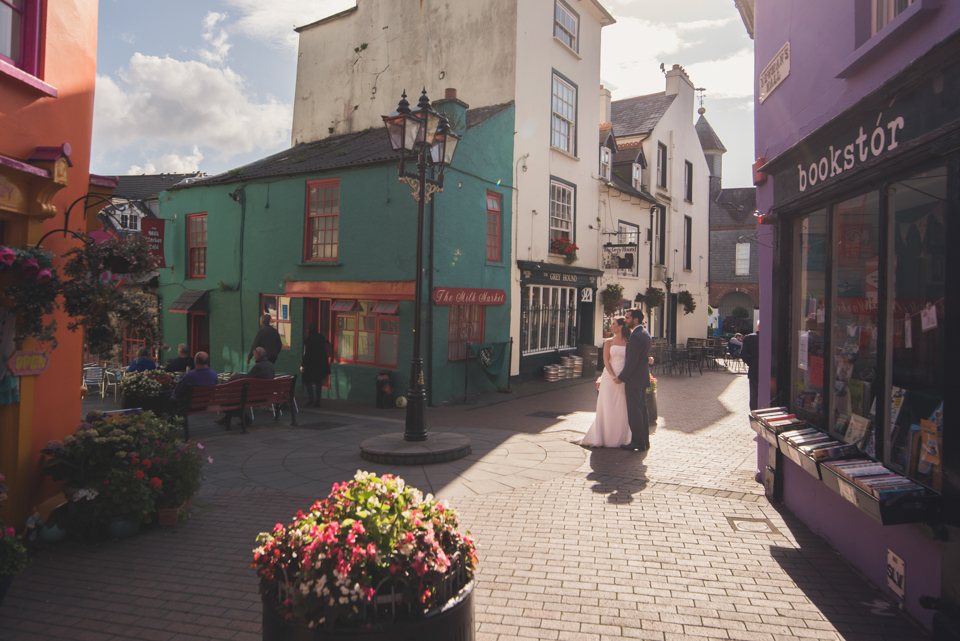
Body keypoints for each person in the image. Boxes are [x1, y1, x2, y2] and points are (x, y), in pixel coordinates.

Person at [581, 317, 631, 447]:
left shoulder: (628, 341)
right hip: (610, 377)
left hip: (624, 377)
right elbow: (606, 361)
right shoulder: (608, 341)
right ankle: (604, 437)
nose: (611, 326)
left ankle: (620, 438)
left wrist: (622, 376)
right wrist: (613, 376)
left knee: (621, 406)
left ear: (620, 326)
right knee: (607, 405)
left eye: (613, 324)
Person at [617, 307, 653, 452]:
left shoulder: (636, 336)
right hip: (642, 377)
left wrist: (621, 378)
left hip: (634, 379)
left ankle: (637, 442)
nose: (625, 320)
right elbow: (644, 356)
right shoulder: (645, 333)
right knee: (642, 409)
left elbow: (632, 361)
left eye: (627, 318)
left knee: (635, 411)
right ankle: (644, 441)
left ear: (635, 319)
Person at [215, 347, 275, 426]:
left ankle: (244, 419)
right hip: (266, 394)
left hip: (257, 396)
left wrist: (235, 376)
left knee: (233, 399)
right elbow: (250, 376)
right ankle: (231, 419)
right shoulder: (270, 365)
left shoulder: (259, 366)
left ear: (257, 355)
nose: (253, 357)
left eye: (254, 355)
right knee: (234, 398)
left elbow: (247, 378)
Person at [300, 324, 332, 408]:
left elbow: (307, 354)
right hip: (321, 364)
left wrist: (303, 365)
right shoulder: (321, 338)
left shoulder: (308, 340)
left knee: (308, 381)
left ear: (309, 330)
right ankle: (318, 400)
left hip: (311, 364)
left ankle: (311, 398)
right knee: (318, 382)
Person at [740, 321, 760, 411]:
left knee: (754, 392)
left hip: (754, 368)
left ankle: (754, 411)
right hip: (768, 370)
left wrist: (750, 363)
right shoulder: (770, 337)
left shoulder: (749, 338)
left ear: (757, 327)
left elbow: (743, 354)